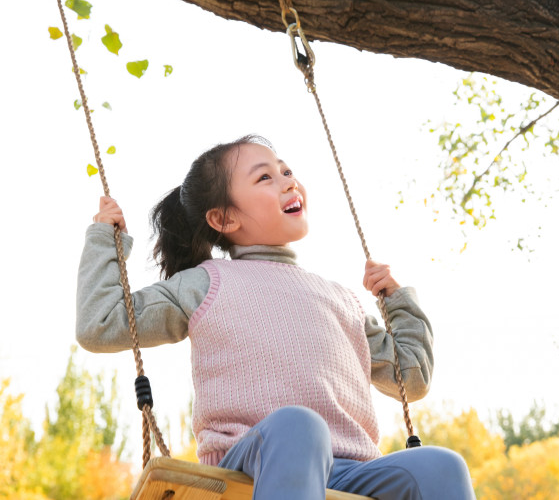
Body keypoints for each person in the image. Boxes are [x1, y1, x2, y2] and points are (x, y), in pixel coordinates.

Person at [75, 134, 475, 499]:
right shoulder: (206, 284)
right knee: (300, 428)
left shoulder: (340, 299)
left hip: (352, 473)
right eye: (265, 177)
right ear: (224, 219)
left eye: (286, 171)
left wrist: (398, 302)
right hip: (253, 465)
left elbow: (412, 377)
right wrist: (104, 241)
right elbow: (101, 323)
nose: (288, 181)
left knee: (441, 466)